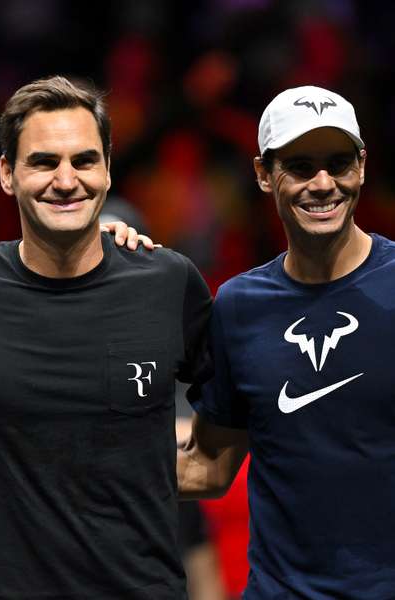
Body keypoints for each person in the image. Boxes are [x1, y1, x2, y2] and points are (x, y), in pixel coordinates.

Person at [0, 75, 213, 599]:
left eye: (83, 160)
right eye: (43, 161)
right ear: (7, 174)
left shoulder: (168, 282)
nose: (66, 178)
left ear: (107, 170)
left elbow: (233, 425)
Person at [178, 85, 395, 598]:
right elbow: (209, 467)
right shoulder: (237, 306)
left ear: (361, 166)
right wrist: (78, 454)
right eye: (299, 166)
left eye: (338, 163)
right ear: (262, 173)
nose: (323, 184)